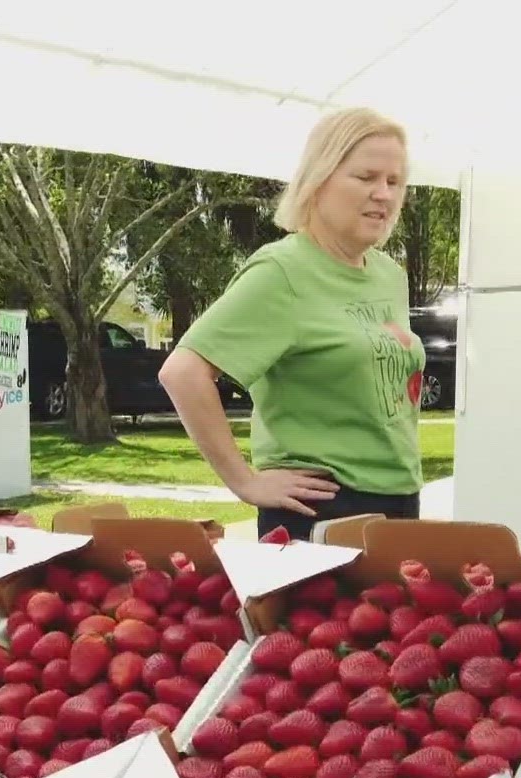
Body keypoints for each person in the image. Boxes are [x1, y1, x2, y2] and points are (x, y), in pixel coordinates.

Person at [158, 107, 425, 539]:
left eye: (394, 181)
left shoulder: (388, 275)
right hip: (321, 508)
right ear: (318, 179)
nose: (384, 194)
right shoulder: (283, 271)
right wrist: (245, 481)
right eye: (366, 177)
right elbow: (183, 372)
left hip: (398, 499)